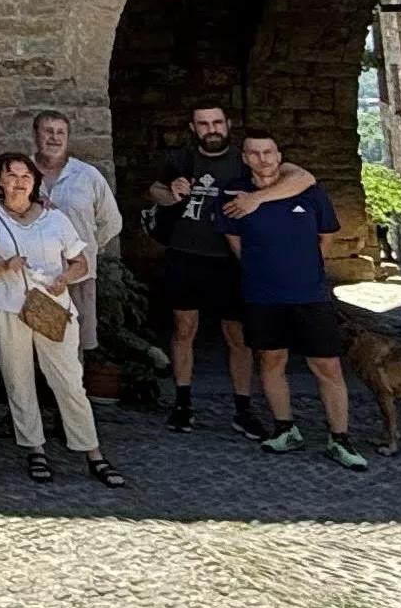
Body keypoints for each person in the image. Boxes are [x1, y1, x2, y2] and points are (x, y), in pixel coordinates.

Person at [146, 103, 313, 435]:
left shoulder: (246, 158)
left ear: (228, 124)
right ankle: (182, 403)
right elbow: (155, 190)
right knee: (183, 329)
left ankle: (243, 408)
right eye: (203, 123)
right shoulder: (181, 158)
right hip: (185, 254)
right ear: (193, 128)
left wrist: (258, 199)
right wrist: (171, 193)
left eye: (217, 122)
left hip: (231, 259)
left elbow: (302, 177)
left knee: (237, 335)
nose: (211, 129)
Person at [219, 130, 369, 470]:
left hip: (309, 295)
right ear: (244, 159)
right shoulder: (233, 197)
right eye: (254, 153)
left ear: (279, 156)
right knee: (271, 361)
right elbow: (234, 240)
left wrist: (304, 267)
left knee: (327, 366)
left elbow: (326, 236)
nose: (262, 159)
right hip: (262, 296)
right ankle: (285, 429)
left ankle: (340, 438)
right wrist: (263, 269)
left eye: (268, 152)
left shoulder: (310, 193)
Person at [0, 151, 120, 487]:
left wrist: (65, 279)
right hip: (5, 307)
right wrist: (2, 266)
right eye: (11, 176)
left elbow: (80, 262)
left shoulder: (56, 219)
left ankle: (92, 451)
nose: (19, 182)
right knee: (18, 380)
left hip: (52, 307)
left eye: (26, 176)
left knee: (69, 380)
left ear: (34, 181)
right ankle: (34, 448)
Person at [31, 111, 124, 354]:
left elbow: (111, 221)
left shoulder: (87, 175)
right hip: (35, 278)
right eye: (48, 131)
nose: (54, 138)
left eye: (60, 132)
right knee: (38, 343)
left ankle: (75, 381)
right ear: (35, 134)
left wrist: (87, 248)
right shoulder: (20, 174)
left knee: (76, 346)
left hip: (78, 278)